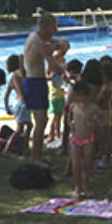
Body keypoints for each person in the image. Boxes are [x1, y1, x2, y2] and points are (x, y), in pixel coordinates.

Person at [23, 12, 66, 164]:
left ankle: (37, 155)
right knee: (41, 121)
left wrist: (59, 43)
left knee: (43, 120)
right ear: (46, 27)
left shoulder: (37, 37)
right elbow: (54, 65)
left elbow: (52, 41)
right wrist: (64, 72)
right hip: (35, 82)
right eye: (54, 28)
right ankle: (35, 157)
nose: (55, 32)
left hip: (36, 81)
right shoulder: (37, 42)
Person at [67, 81, 99, 199]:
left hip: (88, 139)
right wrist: (70, 124)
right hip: (75, 138)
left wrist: (94, 123)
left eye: (83, 96)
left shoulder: (92, 107)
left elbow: (100, 117)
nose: (81, 99)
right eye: (78, 96)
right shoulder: (73, 106)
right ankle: (77, 187)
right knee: (76, 164)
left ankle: (86, 187)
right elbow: (68, 117)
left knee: (87, 163)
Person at [3, 54, 31, 158]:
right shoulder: (18, 74)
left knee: (28, 126)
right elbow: (24, 75)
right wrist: (22, 62)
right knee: (20, 129)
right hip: (22, 103)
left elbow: (6, 96)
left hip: (19, 103)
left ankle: (25, 147)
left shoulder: (12, 78)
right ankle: (7, 149)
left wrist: (7, 108)